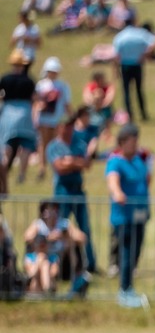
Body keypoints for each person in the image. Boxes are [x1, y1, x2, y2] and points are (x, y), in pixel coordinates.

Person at [105, 123, 150, 309]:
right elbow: (112, 180)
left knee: (135, 253)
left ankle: (130, 287)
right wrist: (118, 193)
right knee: (125, 253)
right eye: (132, 141)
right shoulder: (115, 161)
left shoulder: (139, 160)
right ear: (122, 143)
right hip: (123, 217)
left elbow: (146, 179)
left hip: (140, 215)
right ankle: (123, 290)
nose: (136, 144)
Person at [48, 115, 96, 279]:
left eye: (70, 126)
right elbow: (59, 168)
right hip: (62, 191)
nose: (68, 130)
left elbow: (87, 163)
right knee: (59, 228)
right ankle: (56, 262)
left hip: (78, 190)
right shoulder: (54, 146)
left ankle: (91, 264)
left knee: (85, 228)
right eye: (65, 126)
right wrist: (75, 163)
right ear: (59, 128)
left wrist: (69, 161)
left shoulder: (78, 143)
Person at [0, 51, 36, 197]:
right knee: (26, 145)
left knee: (8, 144)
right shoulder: (29, 81)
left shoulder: (5, 79)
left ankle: (5, 167)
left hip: (8, 112)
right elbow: (34, 98)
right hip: (25, 112)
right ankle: (22, 173)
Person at [111, 17, 155, 122]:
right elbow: (154, 42)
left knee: (126, 91)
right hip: (137, 64)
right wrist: (145, 55)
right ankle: (143, 113)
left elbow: (116, 55)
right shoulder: (140, 33)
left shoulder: (120, 36)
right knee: (139, 90)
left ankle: (129, 115)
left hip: (125, 65)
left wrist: (115, 70)